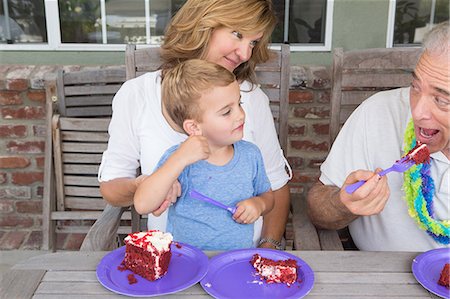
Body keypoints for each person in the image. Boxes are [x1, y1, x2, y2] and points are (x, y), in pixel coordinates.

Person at [98, 0, 291, 250]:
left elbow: (276, 187)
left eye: (253, 42)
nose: (245, 54)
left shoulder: (251, 99)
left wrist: (267, 249)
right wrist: (146, 183)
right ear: (203, 24)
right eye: (237, 34)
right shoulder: (138, 95)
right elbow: (112, 187)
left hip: (242, 258)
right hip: (174, 259)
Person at [307, 21, 450, 251]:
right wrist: (343, 204)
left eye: (441, 100)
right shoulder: (377, 112)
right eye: (415, 87)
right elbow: (318, 207)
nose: (418, 112)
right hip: (375, 277)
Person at [134, 60, 274, 250]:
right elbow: (143, 205)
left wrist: (258, 204)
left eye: (239, 103)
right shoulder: (178, 158)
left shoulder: (250, 155)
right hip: (187, 263)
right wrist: (179, 160)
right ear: (193, 127)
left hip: (235, 262)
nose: (240, 115)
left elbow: (268, 196)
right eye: (226, 112)